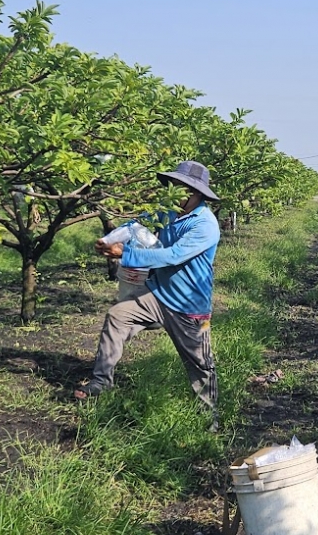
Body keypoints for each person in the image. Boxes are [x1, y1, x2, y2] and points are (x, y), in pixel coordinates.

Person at [76, 160, 222, 416]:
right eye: (173, 185)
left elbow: (173, 256)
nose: (175, 192)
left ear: (197, 193)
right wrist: (109, 240)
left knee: (201, 364)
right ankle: (101, 383)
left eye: (182, 187)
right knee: (117, 316)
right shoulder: (168, 212)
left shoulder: (205, 224)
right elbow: (136, 224)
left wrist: (125, 253)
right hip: (157, 294)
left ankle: (208, 417)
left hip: (189, 307)